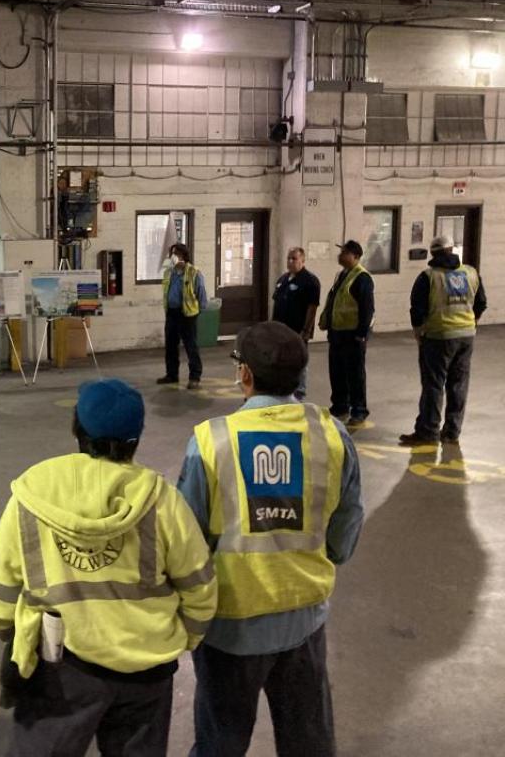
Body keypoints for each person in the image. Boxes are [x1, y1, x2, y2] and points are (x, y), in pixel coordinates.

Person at [0, 378, 217, 756]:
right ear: (136, 439)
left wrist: (16, 637)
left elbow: (1, 593)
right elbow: (200, 587)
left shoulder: (32, 495)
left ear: (77, 429)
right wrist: (181, 639)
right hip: (146, 669)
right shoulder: (163, 501)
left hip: (60, 667)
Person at [176, 321, 364, 757]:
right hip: (304, 622)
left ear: (245, 375)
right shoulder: (331, 434)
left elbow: (186, 542)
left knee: (220, 741)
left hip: (230, 627)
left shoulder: (211, 441)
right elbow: (344, 534)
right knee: (309, 742)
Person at [399, 235, 487, 446]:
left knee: (434, 385)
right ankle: (451, 431)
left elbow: (417, 312)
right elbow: (481, 303)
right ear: (451, 250)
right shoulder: (471, 273)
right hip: (466, 337)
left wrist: (419, 334)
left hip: (438, 337)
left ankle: (428, 431)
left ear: (433, 253)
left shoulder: (428, 277)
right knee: (459, 384)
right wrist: (470, 323)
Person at [318, 240, 374, 426]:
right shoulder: (342, 275)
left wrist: (361, 333)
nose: (340, 256)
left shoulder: (362, 277)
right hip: (337, 333)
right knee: (337, 371)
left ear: (355, 256)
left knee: (355, 373)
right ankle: (340, 406)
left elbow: (367, 308)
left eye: (344, 253)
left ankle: (359, 410)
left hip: (353, 335)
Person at [271, 247, 321, 400]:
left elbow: (312, 307)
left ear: (302, 261)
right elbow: (276, 303)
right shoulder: (283, 280)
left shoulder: (310, 281)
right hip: (281, 329)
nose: (290, 261)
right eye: (289, 258)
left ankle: (299, 391)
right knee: (282, 360)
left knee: (299, 360)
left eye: (294, 259)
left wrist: (305, 330)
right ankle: (283, 388)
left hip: (297, 329)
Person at [157, 243, 208, 390]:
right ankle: (172, 375)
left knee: (191, 347)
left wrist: (199, 310)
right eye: (172, 253)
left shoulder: (194, 272)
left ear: (184, 255)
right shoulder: (169, 272)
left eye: (176, 253)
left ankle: (195, 377)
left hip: (187, 314)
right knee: (170, 346)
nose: (173, 256)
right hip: (171, 313)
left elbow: (201, 293)